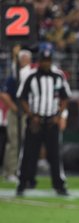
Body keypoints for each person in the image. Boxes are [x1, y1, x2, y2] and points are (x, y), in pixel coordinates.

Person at [16, 43, 70, 197]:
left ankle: (59, 185)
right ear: (39, 60)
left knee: (55, 155)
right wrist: (31, 115)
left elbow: (65, 97)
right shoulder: (31, 76)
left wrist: (59, 115)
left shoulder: (58, 76)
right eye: (44, 60)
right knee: (28, 154)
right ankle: (23, 183)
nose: (46, 62)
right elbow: (22, 97)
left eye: (48, 60)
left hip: (52, 120)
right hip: (36, 121)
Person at [2, 48, 32, 184]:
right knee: (14, 141)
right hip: (16, 113)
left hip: (29, 112)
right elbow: (4, 94)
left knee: (25, 142)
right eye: (23, 58)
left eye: (26, 58)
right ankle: (10, 171)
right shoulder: (14, 76)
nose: (25, 61)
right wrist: (15, 108)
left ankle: (19, 170)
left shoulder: (31, 75)